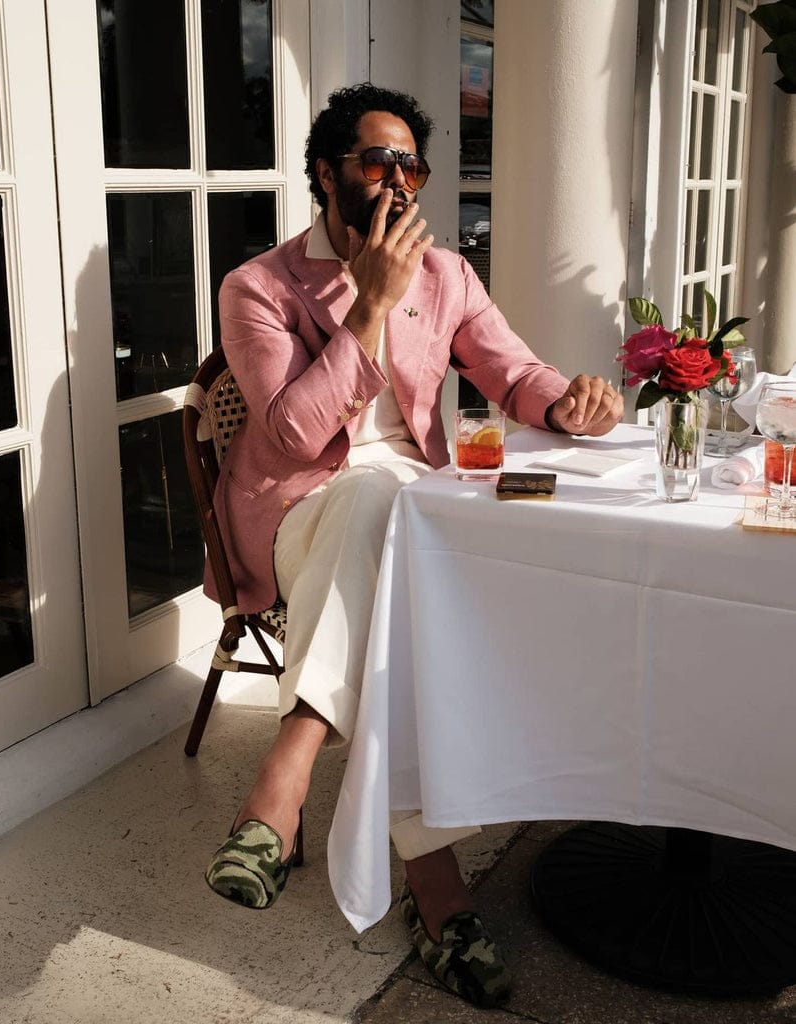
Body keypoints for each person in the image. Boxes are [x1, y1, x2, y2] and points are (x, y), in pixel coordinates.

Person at [203, 82, 623, 1007]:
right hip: (299, 513)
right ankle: (436, 892)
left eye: (411, 165)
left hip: (414, 512)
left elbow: (509, 368)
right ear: (327, 174)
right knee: (373, 509)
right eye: (376, 161)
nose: (397, 180)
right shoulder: (258, 286)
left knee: (392, 531)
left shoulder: (447, 276)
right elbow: (291, 438)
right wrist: (369, 307)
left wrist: (564, 404)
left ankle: (290, 766)